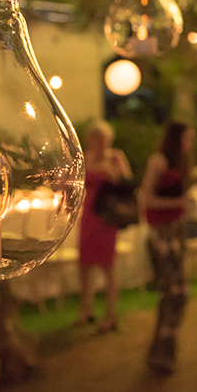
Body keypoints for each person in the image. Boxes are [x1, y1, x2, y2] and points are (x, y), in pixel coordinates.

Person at [139, 120, 194, 375]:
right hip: (161, 233)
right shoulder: (158, 161)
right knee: (173, 291)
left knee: (178, 292)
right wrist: (178, 202)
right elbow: (146, 198)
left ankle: (164, 348)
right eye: (187, 139)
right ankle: (161, 352)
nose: (189, 145)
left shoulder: (180, 164)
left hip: (174, 232)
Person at [77, 121, 132, 333]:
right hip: (88, 214)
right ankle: (86, 309)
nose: (101, 143)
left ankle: (110, 314)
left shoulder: (116, 157)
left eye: (104, 139)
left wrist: (109, 171)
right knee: (84, 264)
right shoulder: (85, 157)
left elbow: (125, 182)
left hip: (107, 216)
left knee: (108, 266)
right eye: (96, 139)